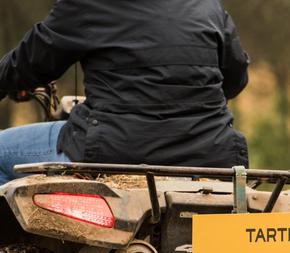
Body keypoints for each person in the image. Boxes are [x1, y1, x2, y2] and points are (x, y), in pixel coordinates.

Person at [0, 0, 250, 185]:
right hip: (212, 155)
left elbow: (29, 62)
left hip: (113, 150)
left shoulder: (87, 5)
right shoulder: (208, 6)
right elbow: (236, 78)